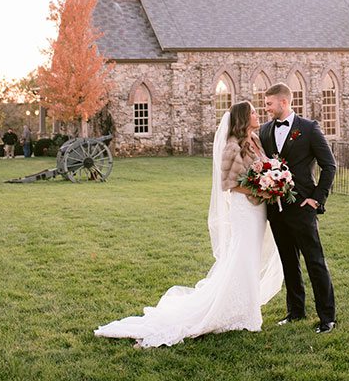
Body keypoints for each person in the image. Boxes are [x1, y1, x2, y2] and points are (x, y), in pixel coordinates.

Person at [94, 101, 283, 348]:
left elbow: (264, 168)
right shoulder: (231, 147)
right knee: (242, 257)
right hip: (245, 210)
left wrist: (272, 180)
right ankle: (239, 312)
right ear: (242, 119)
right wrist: (261, 187)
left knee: (250, 258)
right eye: (253, 113)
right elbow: (229, 183)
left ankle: (245, 306)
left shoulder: (255, 141)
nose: (258, 115)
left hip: (258, 210)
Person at [259, 83, 337, 334]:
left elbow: (330, 166)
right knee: (288, 262)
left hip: (302, 207)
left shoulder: (309, 129)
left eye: (269, 103)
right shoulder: (264, 130)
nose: (266, 107)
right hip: (276, 209)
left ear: (283, 102)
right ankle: (296, 311)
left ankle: (327, 317)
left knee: (315, 262)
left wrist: (316, 199)